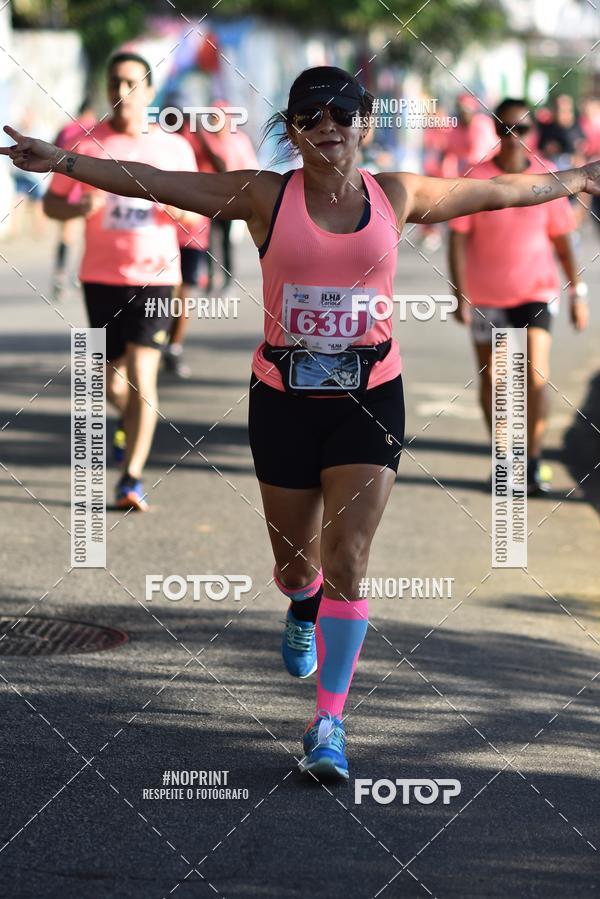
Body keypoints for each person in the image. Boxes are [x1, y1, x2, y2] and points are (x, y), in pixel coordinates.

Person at [6, 66, 600, 779]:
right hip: (283, 398)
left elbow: (499, 190)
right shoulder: (264, 195)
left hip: (371, 395)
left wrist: (578, 176)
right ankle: (300, 601)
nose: (329, 126)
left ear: (365, 124)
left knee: (349, 553)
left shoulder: (397, 194)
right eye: (311, 116)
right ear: (292, 131)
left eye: (343, 113)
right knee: (298, 564)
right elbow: (153, 181)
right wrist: (63, 160)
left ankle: (328, 722)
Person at [42, 51, 199, 510]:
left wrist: (180, 211)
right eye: (115, 83)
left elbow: (199, 211)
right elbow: (52, 205)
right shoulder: (85, 146)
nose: (122, 93)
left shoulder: (174, 148)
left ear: (150, 92)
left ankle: (131, 478)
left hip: (156, 278)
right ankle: (128, 421)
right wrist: (76, 209)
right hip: (101, 277)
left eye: (132, 84)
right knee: (110, 383)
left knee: (144, 376)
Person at [448, 98, 588, 495]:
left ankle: (533, 462)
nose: (513, 138)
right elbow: (458, 240)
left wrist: (578, 293)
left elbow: (562, 242)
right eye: (505, 129)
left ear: (533, 133)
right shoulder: (477, 179)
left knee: (535, 377)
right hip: (486, 296)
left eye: (521, 129)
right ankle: (504, 459)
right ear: (495, 131)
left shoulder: (547, 178)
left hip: (536, 292)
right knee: (495, 381)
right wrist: (459, 294)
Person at [51, 96, 97, 298]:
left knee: (66, 234)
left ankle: (60, 274)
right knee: (88, 232)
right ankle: (80, 275)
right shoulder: (96, 128)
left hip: (65, 185)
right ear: (90, 112)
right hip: (88, 187)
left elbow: (52, 150)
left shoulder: (66, 128)